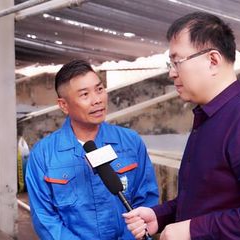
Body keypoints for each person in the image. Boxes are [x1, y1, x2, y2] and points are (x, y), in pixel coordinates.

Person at [123, 12, 240, 240]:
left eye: (177, 62)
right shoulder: (209, 117)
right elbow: (207, 199)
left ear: (213, 60)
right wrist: (161, 215)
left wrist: (191, 230)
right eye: (170, 63)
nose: (172, 72)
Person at [25, 59, 159, 240]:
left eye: (99, 89)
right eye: (84, 94)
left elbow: (146, 199)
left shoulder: (130, 142)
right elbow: (45, 219)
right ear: (64, 105)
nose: (97, 100)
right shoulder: (43, 155)